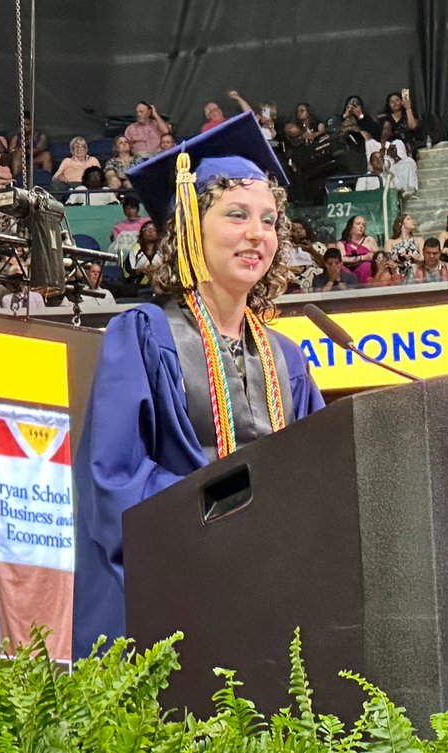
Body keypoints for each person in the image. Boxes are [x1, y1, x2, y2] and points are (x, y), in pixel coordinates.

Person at [72, 112, 324, 656]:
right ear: (189, 226)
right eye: (237, 216)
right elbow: (114, 482)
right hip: (173, 605)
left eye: (269, 220)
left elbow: (318, 484)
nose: (258, 235)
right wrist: (230, 519)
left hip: (274, 606)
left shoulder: (289, 360)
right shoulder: (141, 337)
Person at [334, 215, 379, 285]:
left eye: (363, 225)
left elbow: (380, 257)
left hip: (369, 275)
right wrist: (363, 257)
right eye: (358, 224)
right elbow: (341, 259)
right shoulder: (342, 243)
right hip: (348, 274)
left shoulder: (369, 240)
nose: (361, 226)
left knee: (366, 266)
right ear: (351, 226)